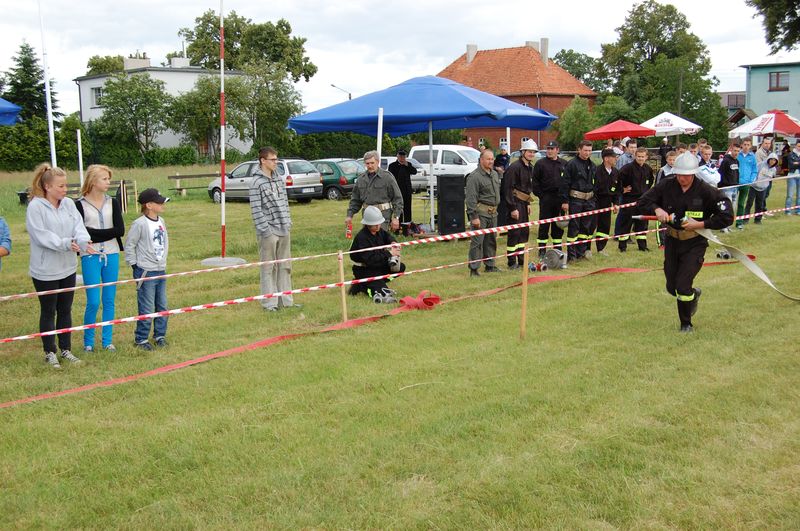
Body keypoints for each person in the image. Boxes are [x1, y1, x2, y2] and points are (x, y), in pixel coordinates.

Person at [638, 152, 734, 332]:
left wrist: (701, 224)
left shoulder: (707, 191)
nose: (681, 178)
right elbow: (643, 202)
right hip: (673, 241)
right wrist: (656, 208)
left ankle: (686, 324)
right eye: (679, 174)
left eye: (686, 175)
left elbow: (727, 216)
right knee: (672, 287)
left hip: (695, 243)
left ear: (694, 173)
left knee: (682, 285)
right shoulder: (667, 185)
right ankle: (693, 294)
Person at [26, 163, 97, 368]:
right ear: (48, 187)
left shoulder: (68, 204)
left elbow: (79, 226)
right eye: (61, 186)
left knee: (65, 309)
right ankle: (50, 352)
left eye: (66, 186)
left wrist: (84, 242)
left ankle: (66, 349)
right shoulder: (36, 207)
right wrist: (65, 243)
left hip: (67, 267)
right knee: (48, 311)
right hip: (45, 270)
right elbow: (41, 236)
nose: (65, 190)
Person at [75, 164, 125, 352]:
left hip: (111, 254)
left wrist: (94, 234)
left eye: (108, 179)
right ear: (93, 181)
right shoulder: (79, 204)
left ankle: (107, 341)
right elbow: (82, 232)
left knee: (109, 299)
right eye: (104, 179)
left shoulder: (113, 202)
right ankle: (88, 341)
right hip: (90, 256)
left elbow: (120, 230)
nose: (108, 182)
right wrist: (104, 234)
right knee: (94, 300)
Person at [248, 146, 298, 312]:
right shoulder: (256, 182)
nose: (276, 162)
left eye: (277, 159)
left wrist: (288, 222)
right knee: (268, 268)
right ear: (263, 160)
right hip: (268, 231)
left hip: (284, 229)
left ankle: (287, 301)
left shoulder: (279, 179)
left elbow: (285, 203)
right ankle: (270, 303)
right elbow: (256, 209)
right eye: (273, 159)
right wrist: (266, 231)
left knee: (285, 266)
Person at [125, 188, 170, 350]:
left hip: (160, 269)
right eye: (159, 202)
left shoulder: (161, 221)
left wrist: (162, 261)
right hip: (146, 271)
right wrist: (135, 265)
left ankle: (160, 335)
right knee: (147, 306)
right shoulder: (139, 224)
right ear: (149, 205)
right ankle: (141, 339)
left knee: (162, 305)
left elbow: (163, 242)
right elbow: (130, 245)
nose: (163, 204)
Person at [348, 206, 406, 303]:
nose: (378, 226)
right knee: (382, 291)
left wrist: (393, 242)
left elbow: (388, 236)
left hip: (377, 266)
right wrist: (389, 253)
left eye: (379, 223)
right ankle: (365, 286)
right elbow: (371, 260)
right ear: (368, 224)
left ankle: (372, 283)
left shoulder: (379, 231)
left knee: (400, 268)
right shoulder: (362, 238)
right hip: (365, 269)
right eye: (375, 224)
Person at [346, 150, 403, 232]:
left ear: (377, 162)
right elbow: (355, 200)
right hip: (367, 217)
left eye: (372, 163)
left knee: (380, 241)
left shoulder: (387, 177)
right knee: (367, 241)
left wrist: (396, 217)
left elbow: (397, 199)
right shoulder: (361, 179)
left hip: (382, 217)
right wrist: (349, 215)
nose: (370, 166)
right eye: (367, 163)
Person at [466, 149, 502, 277]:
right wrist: (474, 216)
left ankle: (490, 265)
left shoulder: (494, 174)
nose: (491, 161)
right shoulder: (474, 177)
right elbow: (471, 198)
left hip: (493, 213)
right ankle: (474, 269)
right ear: (481, 160)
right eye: (488, 159)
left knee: (491, 240)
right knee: (477, 241)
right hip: (481, 214)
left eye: (492, 159)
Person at [503, 139, 538, 269]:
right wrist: (512, 208)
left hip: (523, 203)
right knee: (514, 233)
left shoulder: (530, 167)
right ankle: (512, 262)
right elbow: (507, 189)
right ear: (523, 152)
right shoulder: (514, 167)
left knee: (524, 232)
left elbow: (527, 187)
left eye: (533, 152)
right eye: (529, 151)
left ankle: (522, 260)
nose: (531, 154)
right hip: (515, 204)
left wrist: (528, 203)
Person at [615, 147, 654, 251]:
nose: (640, 159)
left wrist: (646, 191)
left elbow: (650, 181)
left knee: (642, 223)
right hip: (629, 200)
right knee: (626, 223)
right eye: (639, 156)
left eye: (643, 157)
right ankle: (622, 246)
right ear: (635, 156)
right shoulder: (627, 168)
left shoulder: (648, 169)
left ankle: (642, 246)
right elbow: (617, 180)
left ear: (646, 157)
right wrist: (622, 189)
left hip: (643, 201)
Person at [531, 140, 566, 258]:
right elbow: (535, 183)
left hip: (559, 199)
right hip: (546, 198)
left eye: (552, 149)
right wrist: (541, 196)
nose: (550, 151)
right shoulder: (540, 164)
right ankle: (542, 250)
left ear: (557, 150)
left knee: (558, 225)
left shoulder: (564, 164)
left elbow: (567, 182)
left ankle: (557, 249)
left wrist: (565, 199)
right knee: (544, 225)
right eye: (548, 149)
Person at [564, 141, 596, 261]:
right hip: (575, 200)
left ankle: (581, 253)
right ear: (579, 150)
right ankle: (572, 256)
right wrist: (565, 201)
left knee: (585, 228)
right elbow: (565, 183)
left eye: (589, 150)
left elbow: (594, 184)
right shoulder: (571, 164)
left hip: (589, 200)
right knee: (574, 227)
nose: (587, 153)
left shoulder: (592, 165)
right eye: (585, 150)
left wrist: (593, 199)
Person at [593, 148, 620, 253]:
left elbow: (617, 190)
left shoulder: (616, 172)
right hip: (595, 201)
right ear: (606, 159)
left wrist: (616, 203)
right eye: (613, 157)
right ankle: (586, 249)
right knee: (591, 225)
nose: (616, 159)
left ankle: (601, 248)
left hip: (607, 202)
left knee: (605, 226)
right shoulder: (597, 171)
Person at [387, 149, 417, 235]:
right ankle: (396, 228)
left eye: (403, 156)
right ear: (397, 156)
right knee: (398, 209)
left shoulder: (408, 165)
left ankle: (406, 228)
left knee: (407, 210)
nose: (402, 158)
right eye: (400, 156)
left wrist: (407, 165)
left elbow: (414, 171)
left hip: (407, 191)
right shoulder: (392, 165)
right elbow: (390, 176)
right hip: (397, 191)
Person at [746, 153, 779, 223]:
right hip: (753, 187)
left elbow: (771, 179)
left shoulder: (774, 169)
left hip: (763, 189)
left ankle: (758, 220)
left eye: (774, 160)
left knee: (759, 205)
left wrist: (767, 188)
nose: (772, 161)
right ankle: (745, 219)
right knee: (749, 203)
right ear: (769, 159)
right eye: (771, 159)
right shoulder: (761, 165)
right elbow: (754, 172)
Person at [655, 150, 677, 248]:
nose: (672, 161)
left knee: (673, 221)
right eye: (670, 160)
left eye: (673, 160)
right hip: (664, 199)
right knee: (663, 221)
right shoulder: (662, 170)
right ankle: (662, 242)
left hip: (675, 199)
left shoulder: (679, 170)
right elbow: (657, 184)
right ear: (666, 159)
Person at [718, 140, 741, 231]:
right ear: (731, 150)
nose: (736, 153)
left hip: (735, 187)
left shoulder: (737, 161)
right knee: (726, 208)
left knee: (732, 209)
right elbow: (720, 174)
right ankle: (723, 227)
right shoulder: (725, 161)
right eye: (735, 150)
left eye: (738, 151)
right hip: (726, 188)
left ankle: (728, 225)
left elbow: (737, 174)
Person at [736, 137, 757, 229]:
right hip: (735, 183)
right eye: (744, 144)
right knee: (730, 203)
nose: (746, 146)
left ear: (750, 146)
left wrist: (751, 180)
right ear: (741, 145)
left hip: (746, 184)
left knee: (741, 203)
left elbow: (754, 170)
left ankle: (739, 222)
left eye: (748, 145)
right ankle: (727, 223)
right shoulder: (737, 154)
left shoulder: (752, 157)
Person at [787, 139, 800, 215]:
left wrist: (796, 163)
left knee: (799, 195)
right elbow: (791, 165)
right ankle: (787, 210)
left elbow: (795, 164)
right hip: (792, 175)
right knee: (790, 194)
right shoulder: (791, 154)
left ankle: (798, 210)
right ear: (796, 146)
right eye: (799, 146)